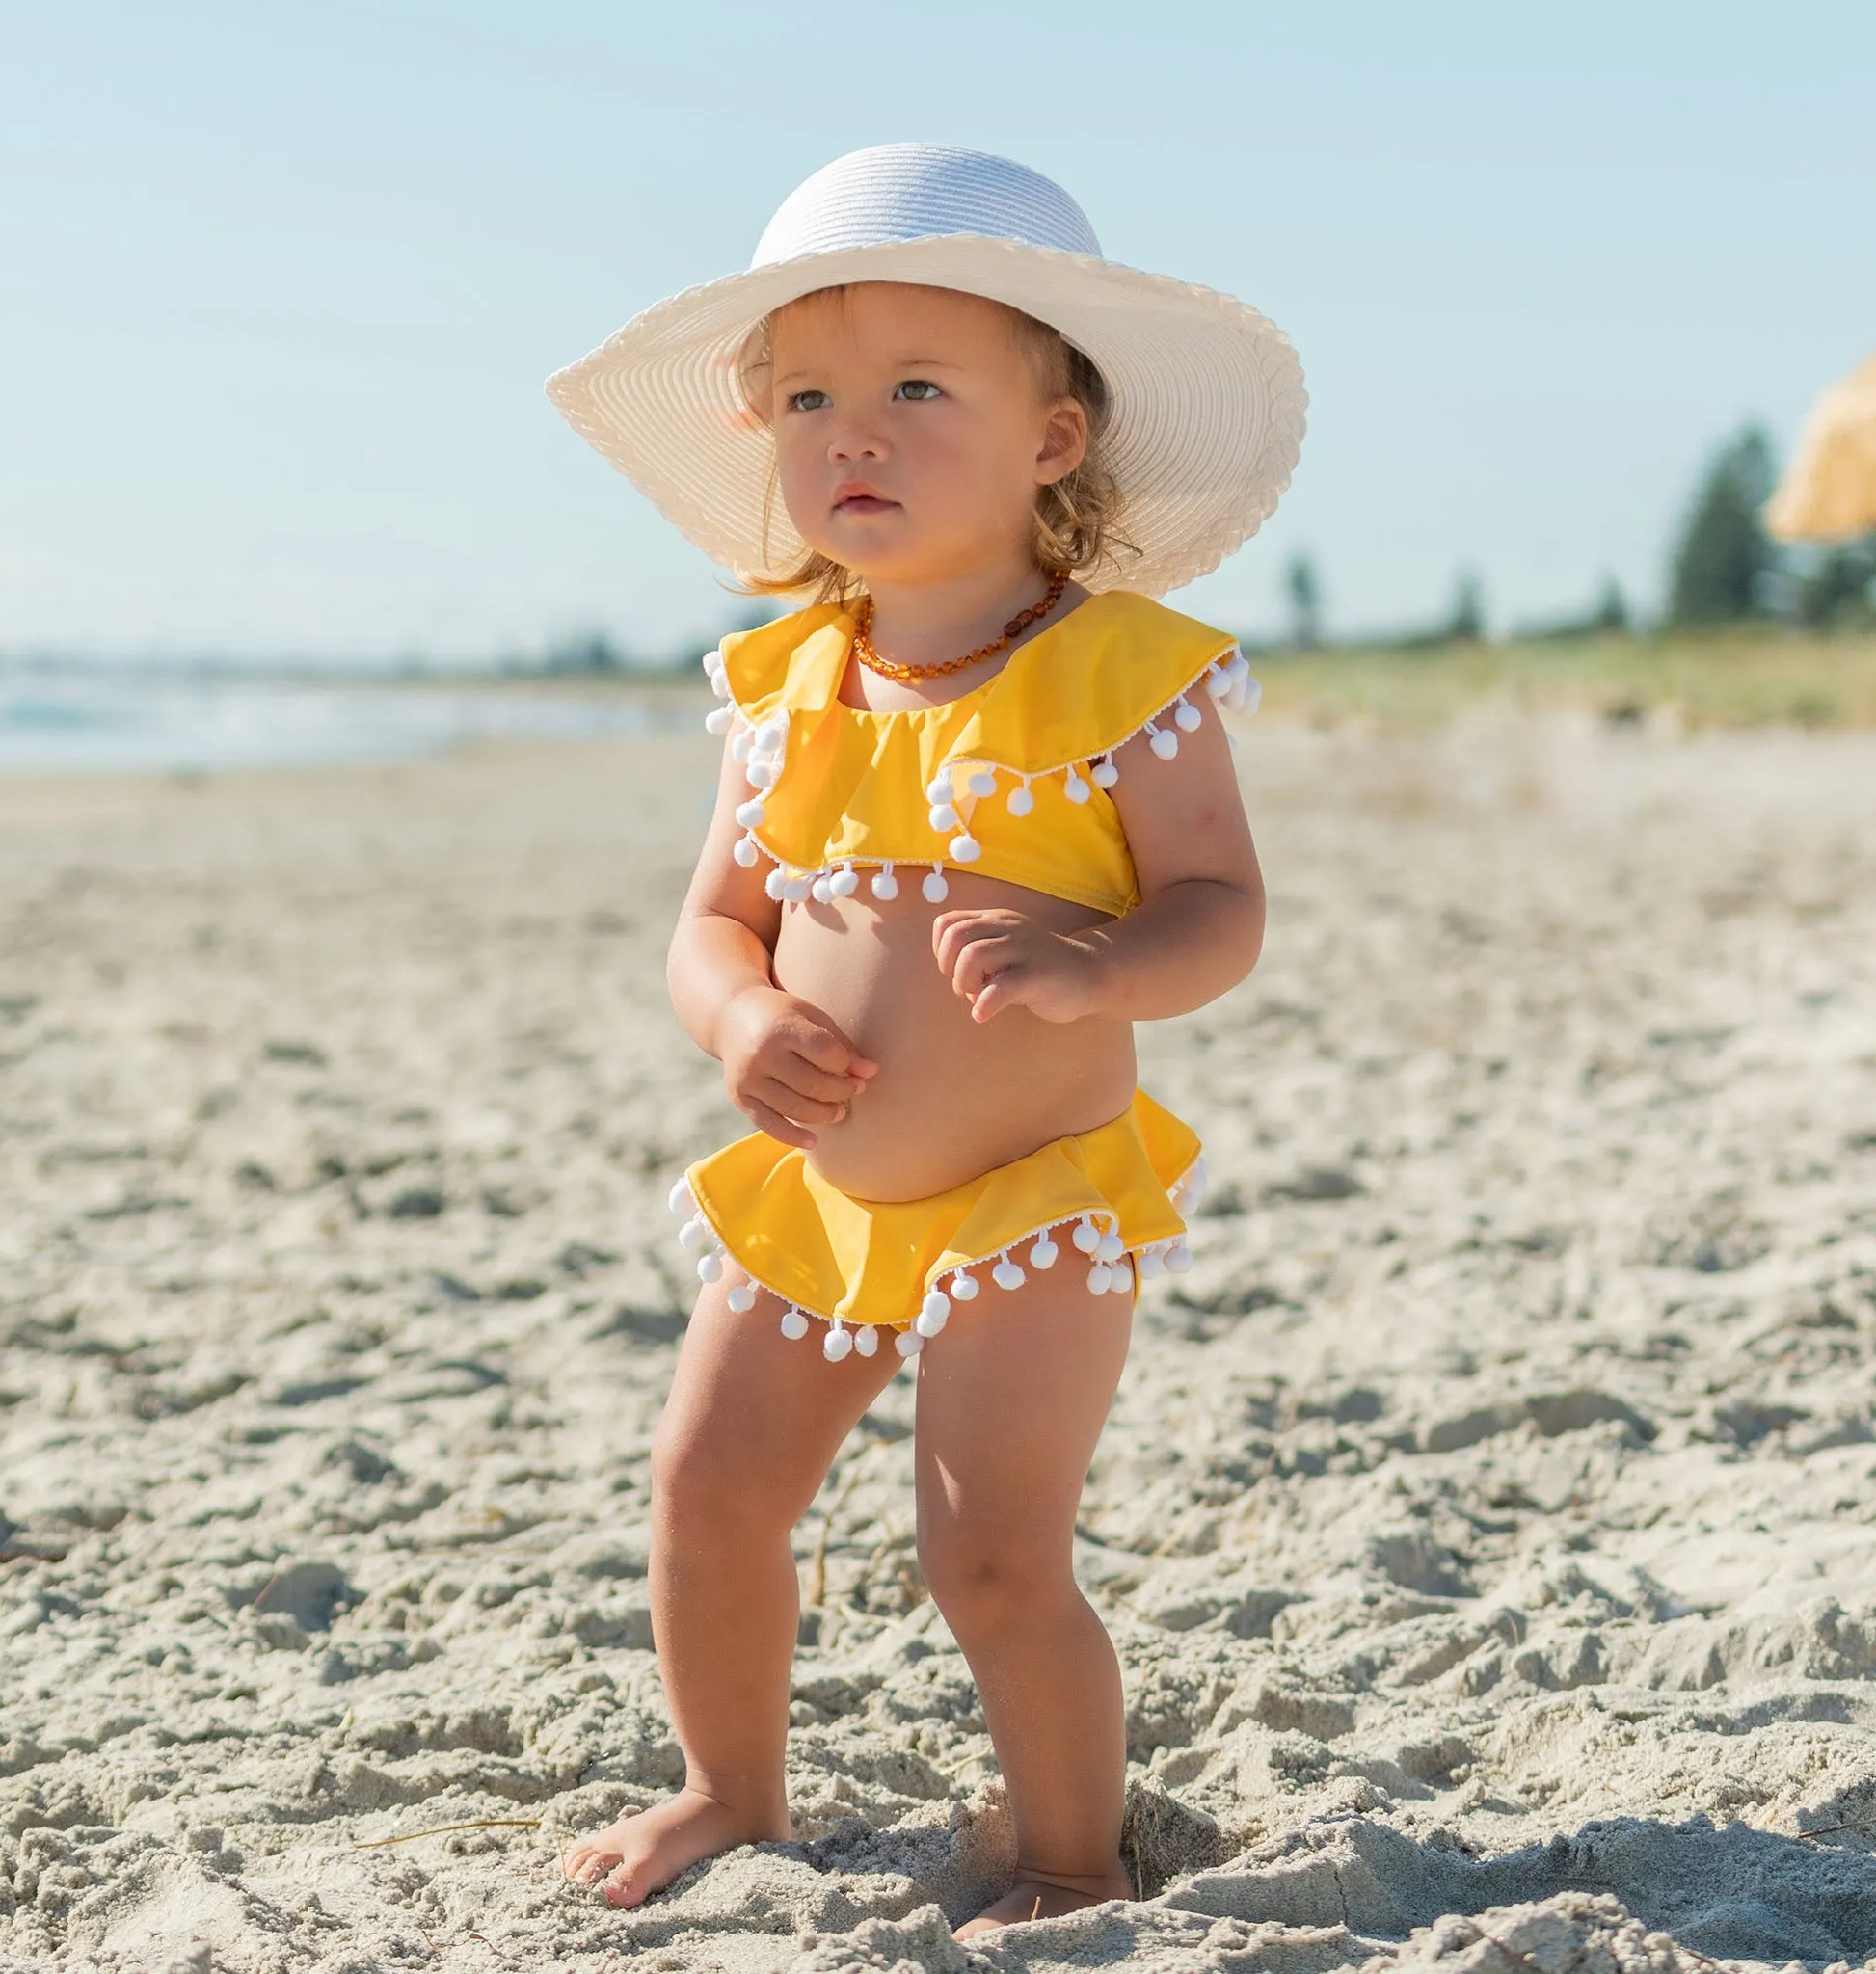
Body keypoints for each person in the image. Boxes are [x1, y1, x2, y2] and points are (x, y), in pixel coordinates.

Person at [545, 144, 1303, 1939]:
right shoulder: (783, 684)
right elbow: (712, 920)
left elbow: (1224, 914)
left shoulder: (1123, 674)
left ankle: (1065, 1855)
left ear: (1054, 439)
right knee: (708, 1490)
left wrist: (1098, 962)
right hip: (822, 1193)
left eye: (912, 389)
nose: (851, 433)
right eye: (806, 396)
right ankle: (731, 1786)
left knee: (986, 1552)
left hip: (1029, 1201)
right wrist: (738, 1017)